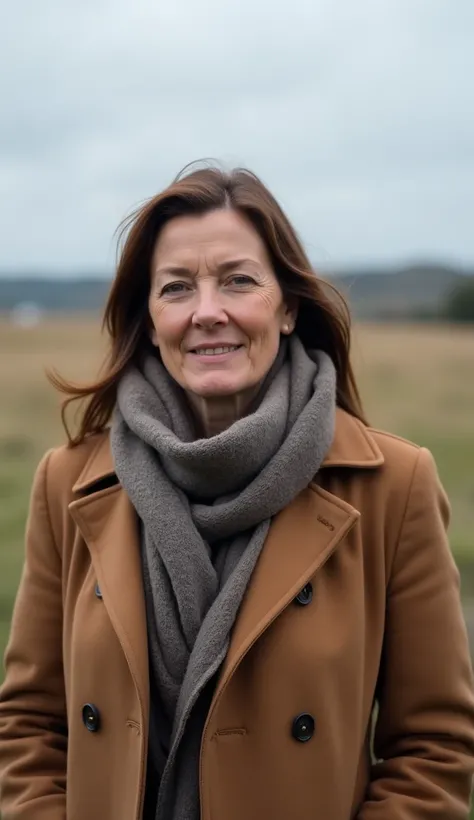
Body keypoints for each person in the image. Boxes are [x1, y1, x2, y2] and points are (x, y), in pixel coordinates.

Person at [0, 165, 473, 820]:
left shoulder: (393, 485)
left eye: (237, 280)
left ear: (286, 307)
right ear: (151, 316)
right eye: (176, 288)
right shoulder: (68, 481)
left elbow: (434, 747)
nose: (206, 311)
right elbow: (27, 727)